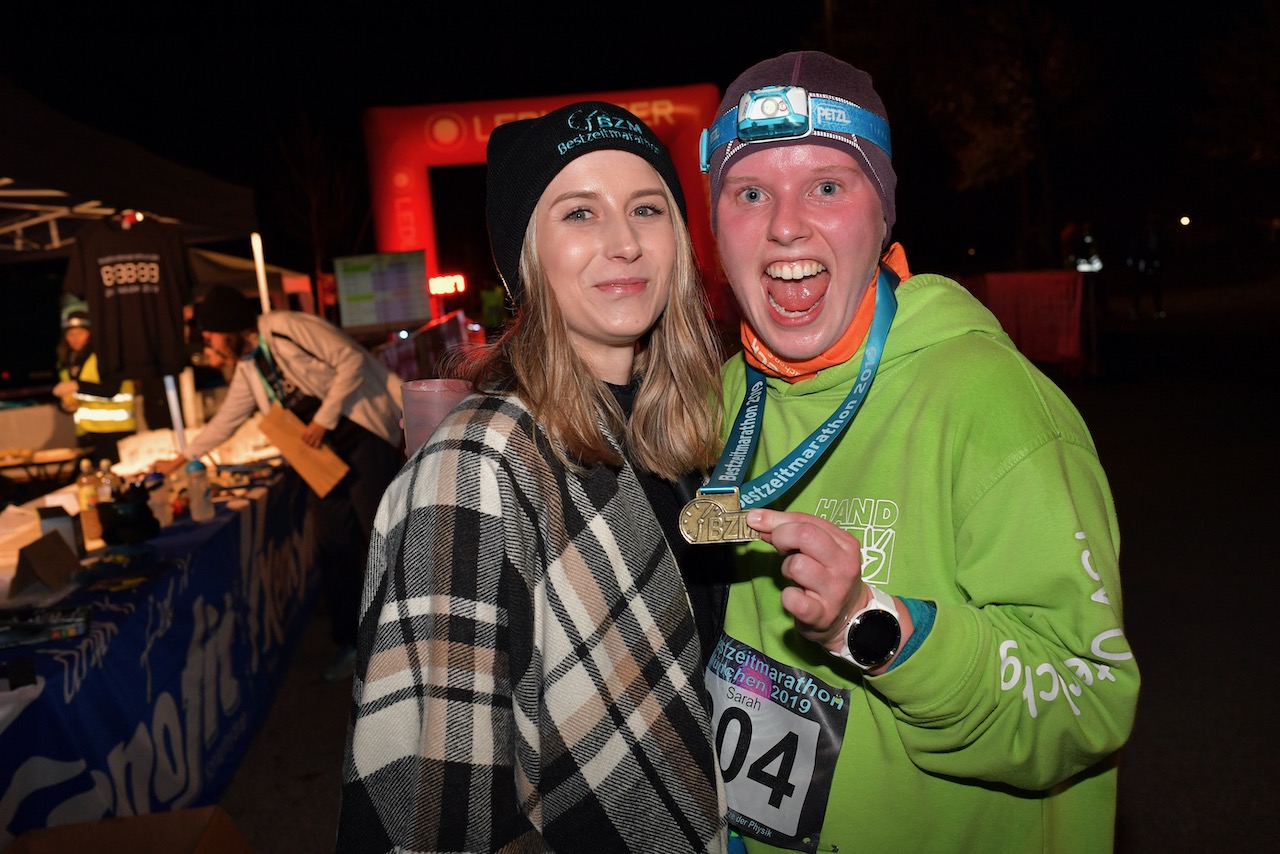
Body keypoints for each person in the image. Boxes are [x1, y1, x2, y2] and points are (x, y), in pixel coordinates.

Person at [698, 51, 1140, 852]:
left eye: (827, 186)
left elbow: (1092, 701)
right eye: (750, 193)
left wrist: (871, 625)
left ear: (884, 214)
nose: (786, 224)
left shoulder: (993, 404)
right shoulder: (723, 397)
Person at [338, 102, 731, 853]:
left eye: (646, 208)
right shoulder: (475, 469)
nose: (623, 242)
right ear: (527, 254)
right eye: (579, 213)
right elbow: (436, 801)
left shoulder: (678, 433)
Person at [153, 285, 405, 679]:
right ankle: (352, 646)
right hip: (320, 459)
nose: (209, 344)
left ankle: (409, 634)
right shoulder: (249, 367)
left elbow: (351, 360)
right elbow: (228, 418)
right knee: (333, 545)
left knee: (385, 536)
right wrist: (184, 457)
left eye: (210, 335)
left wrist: (324, 418)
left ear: (230, 326)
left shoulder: (286, 326)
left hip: (359, 437)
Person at [52, 309, 137, 464]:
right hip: (87, 434)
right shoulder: (68, 361)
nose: (74, 339)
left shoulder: (106, 356)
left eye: (80, 333)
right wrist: (65, 405)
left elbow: (111, 389)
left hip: (116, 433)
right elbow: (73, 398)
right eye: (70, 334)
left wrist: (78, 385)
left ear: (91, 333)